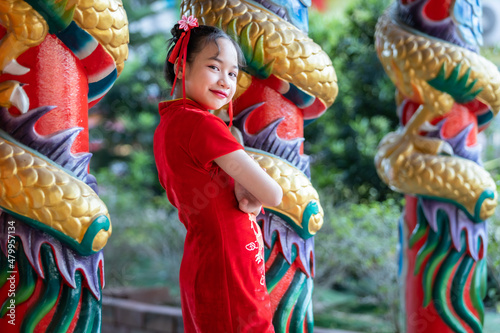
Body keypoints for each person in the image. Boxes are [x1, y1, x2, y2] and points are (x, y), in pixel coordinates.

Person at [153, 15, 283, 333]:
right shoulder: (201, 124)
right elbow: (273, 194)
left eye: (233, 72)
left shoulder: (171, 122)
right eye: (214, 67)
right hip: (228, 267)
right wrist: (248, 188)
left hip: (207, 258)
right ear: (181, 68)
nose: (225, 80)